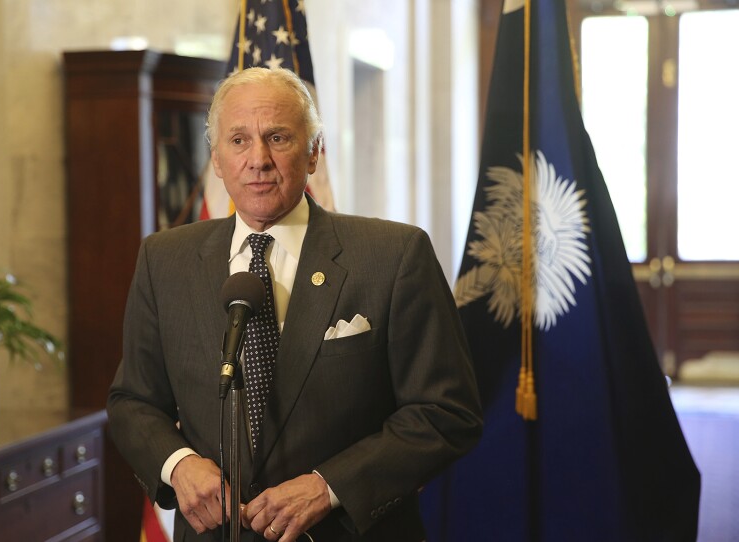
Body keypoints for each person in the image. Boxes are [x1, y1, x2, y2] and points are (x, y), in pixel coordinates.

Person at [107, 67, 483, 542]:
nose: (257, 159)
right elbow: (133, 401)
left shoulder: (393, 255)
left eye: (278, 137)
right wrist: (178, 466)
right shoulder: (164, 260)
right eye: (239, 140)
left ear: (313, 153)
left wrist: (329, 488)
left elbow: (446, 412)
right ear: (217, 159)